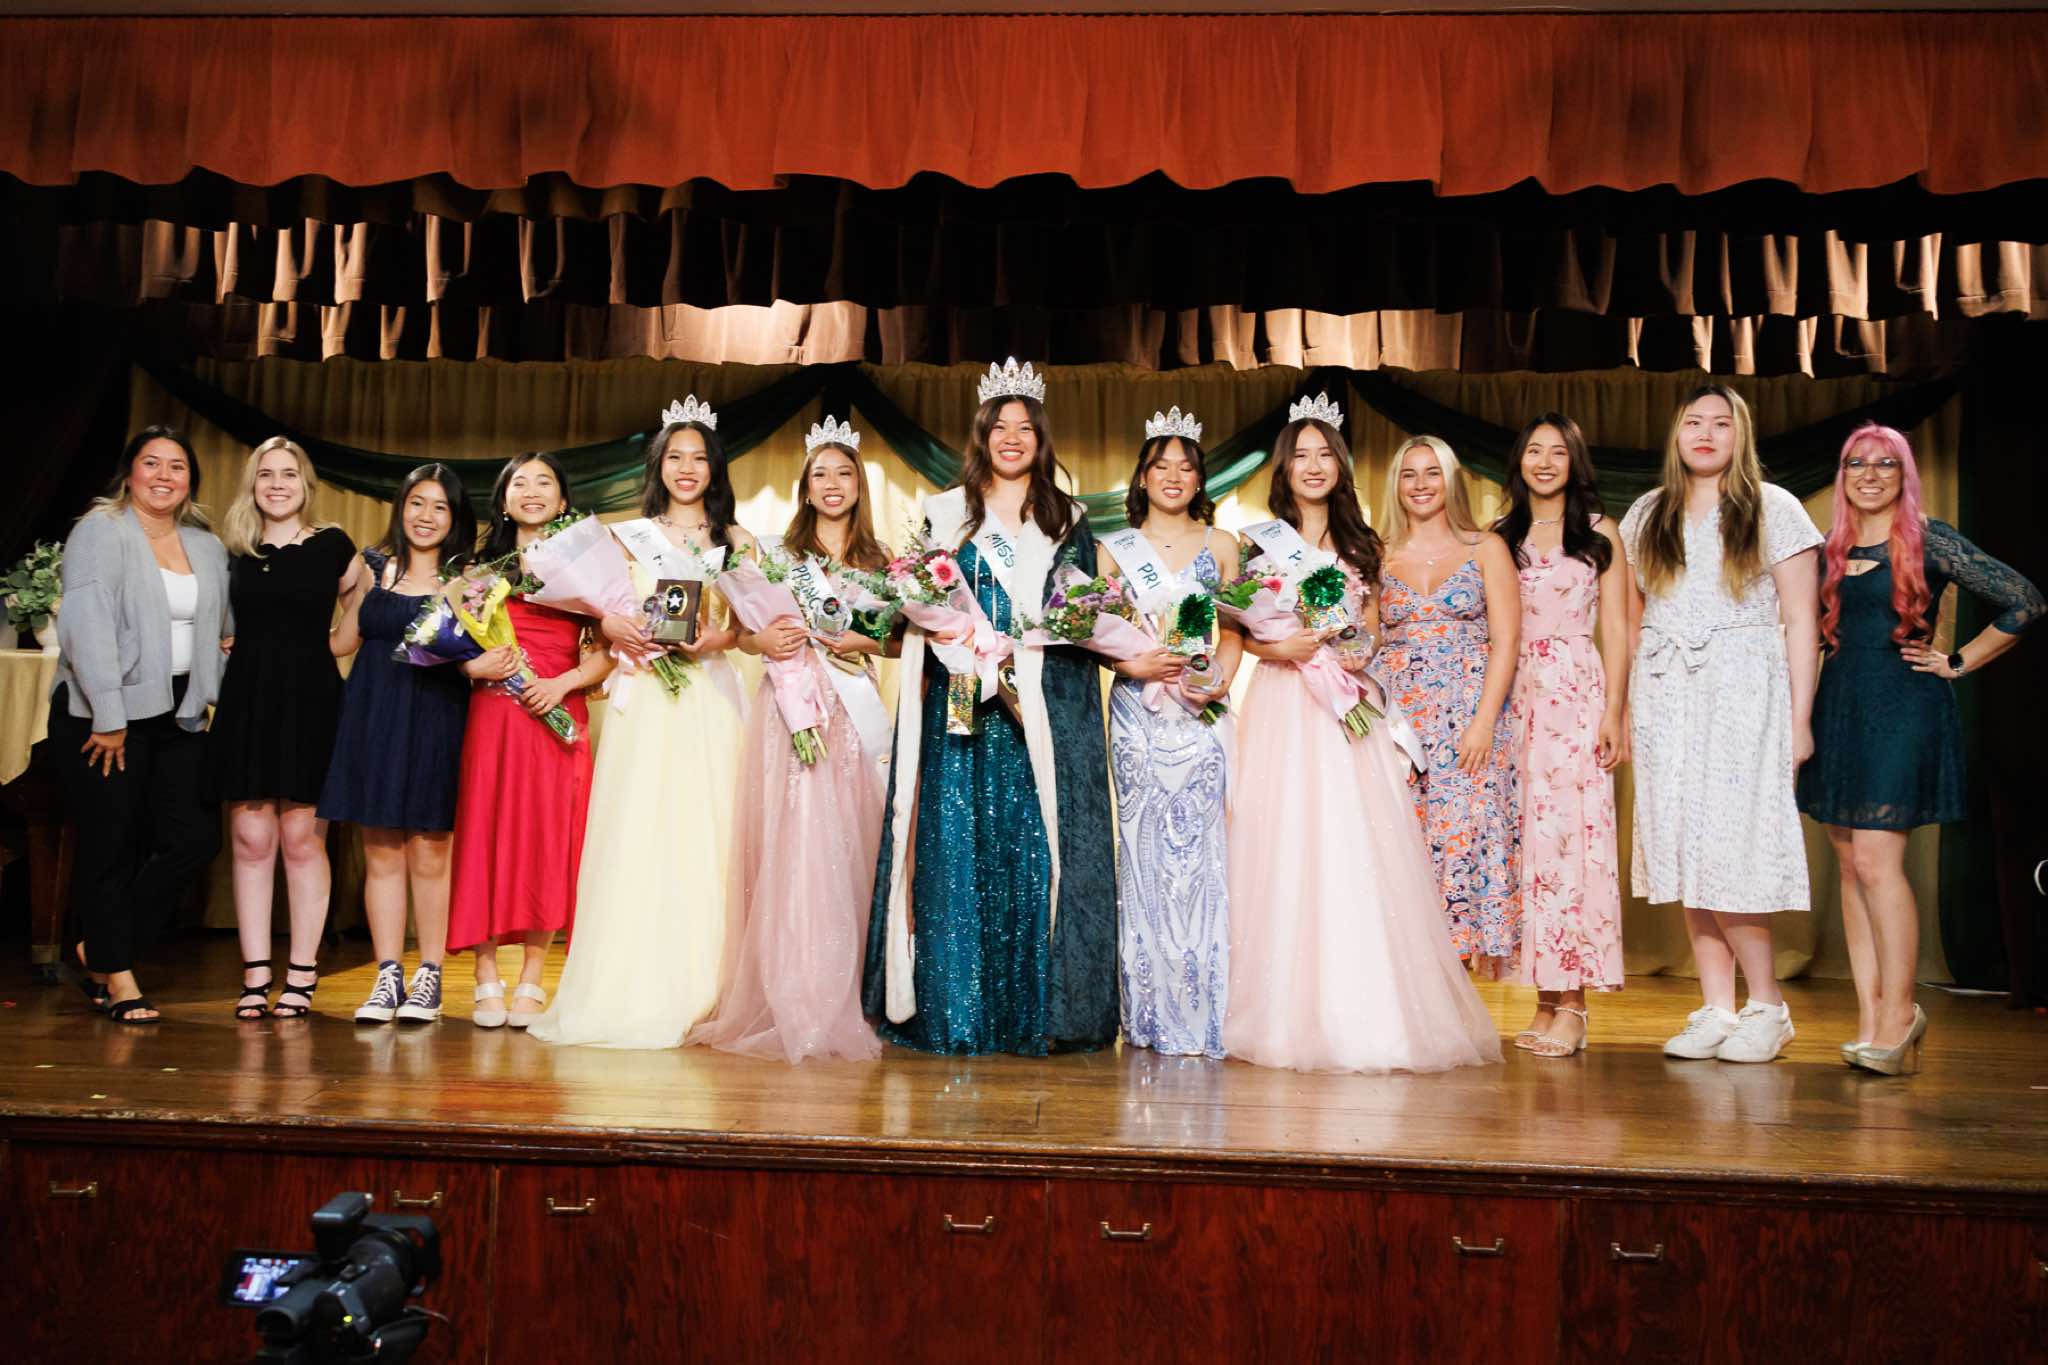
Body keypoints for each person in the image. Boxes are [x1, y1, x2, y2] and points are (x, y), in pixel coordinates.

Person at [1222, 395, 1501, 1074]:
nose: (1313, 466)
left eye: (1326, 454)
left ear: (1341, 467)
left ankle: (1365, 1011)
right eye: (1301, 456)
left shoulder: (1365, 543)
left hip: (1346, 702)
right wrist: (1278, 648)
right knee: (1282, 842)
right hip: (1284, 700)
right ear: (1284, 468)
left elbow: (1373, 626)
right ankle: (1281, 1012)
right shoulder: (1256, 542)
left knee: (1352, 844)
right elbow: (1237, 629)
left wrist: (1355, 646)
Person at [862, 358, 1118, 1056]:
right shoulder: (944, 513)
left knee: (1035, 850)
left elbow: (1080, 610)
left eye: (1025, 427)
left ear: (1041, 438)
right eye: (1000, 426)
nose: (1012, 438)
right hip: (961, 699)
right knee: (959, 845)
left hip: (1039, 702)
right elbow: (917, 601)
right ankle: (959, 1009)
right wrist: (961, 641)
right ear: (981, 435)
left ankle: (1039, 1013)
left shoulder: (1067, 518)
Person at [1797, 423, 2044, 1075]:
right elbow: (1805, 633)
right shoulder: (1827, 547)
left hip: (1904, 707)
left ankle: (1901, 1013)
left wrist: (1958, 661)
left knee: (1876, 860)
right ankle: (1870, 1017)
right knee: (1849, 865)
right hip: (1839, 707)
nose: (1869, 474)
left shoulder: (1929, 539)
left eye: (1885, 464)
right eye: (1856, 463)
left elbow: (2024, 601)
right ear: (1843, 475)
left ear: (1905, 475)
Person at [532, 398, 750, 1049]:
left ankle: (709, 986)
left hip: (707, 695)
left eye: (699, 458)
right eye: (675, 456)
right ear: (658, 465)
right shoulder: (625, 536)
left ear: (715, 468)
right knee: (639, 830)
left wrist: (714, 639)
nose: (687, 468)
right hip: (646, 697)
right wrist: (612, 622)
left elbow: (746, 628)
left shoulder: (737, 541)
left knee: (708, 832)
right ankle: (629, 985)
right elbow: (602, 615)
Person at [1621, 384, 1823, 1064]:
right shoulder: (1648, 512)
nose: (1705, 433)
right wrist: (1628, 707)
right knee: (1686, 848)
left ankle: (1768, 1005)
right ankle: (1717, 1006)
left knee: (1730, 850)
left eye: (1721, 423)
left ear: (1741, 435)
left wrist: (1799, 720)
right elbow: (1631, 619)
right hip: (1666, 691)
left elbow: (1802, 621)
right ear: (1676, 433)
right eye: (1693, 421)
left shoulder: (1775, 507)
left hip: (1741, 690)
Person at [690, 417, 895, 1062]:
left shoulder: (882, 560)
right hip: (791, 708)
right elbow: (744, 632)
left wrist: (865, 641)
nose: (832, 484)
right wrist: (764, 639)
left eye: (844, 473)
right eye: (820, 474)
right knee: (799, 839)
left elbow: (897, 640)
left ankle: (852, 989)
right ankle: (794, 987)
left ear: (859, 485)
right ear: (805, 488)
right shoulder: (775, 555)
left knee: (852, 843)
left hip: (853, 707)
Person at [48, 425, 230, 1024]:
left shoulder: (205, 545)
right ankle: (119, 978)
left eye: (177, 466)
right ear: (129, 473)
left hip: (179, 711)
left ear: (190, 481)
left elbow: (220, 626)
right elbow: (86, 625)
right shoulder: (100, 531)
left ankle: (99, 948)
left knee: (194, 839)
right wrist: (109, 715)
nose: (163, 475)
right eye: (151, 463)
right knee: (112, 843)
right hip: (104, 713)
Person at [447, 453, 611, 1027]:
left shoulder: (586, 568)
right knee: (485, 834)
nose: (533, 491)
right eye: (520, 482)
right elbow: (450, 647)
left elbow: (608, 652)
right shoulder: (476, 571)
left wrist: (562, 684)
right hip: (493, 715)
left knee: (548, 838)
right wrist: (472, 668)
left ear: (563, 501)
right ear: (504, 499)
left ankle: (534, 978)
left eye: (545, 482)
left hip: (557, 711)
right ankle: (485, 975)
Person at [1095, 408, 1240, 1058]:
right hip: (1138, 711)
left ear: (1200, 478)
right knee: (1143, 849)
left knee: (1204, 854)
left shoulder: (1224, 545)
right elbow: (1098, 634)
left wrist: (1219, 679)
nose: (1174, 476)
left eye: (1186, 466)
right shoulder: (1114, 548)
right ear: (1143, 476)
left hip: (1201, 708)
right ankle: (1148, 1014)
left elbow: (1235, 631)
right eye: (1162, 466)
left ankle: (1207, 1012)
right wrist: (1131, 664)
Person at [1493, 414, 1631, 1057]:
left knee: (1574, 842)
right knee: (1528, 845)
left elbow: (1620, 628)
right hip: (1514, 694)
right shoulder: (1500, 535)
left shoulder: (1601, 532)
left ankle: (1574, 1002)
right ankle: (1545, 998)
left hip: (1575, 693)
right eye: (1533, 451)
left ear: (1575, 461)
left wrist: (1615, 712)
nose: (1545, 462)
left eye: (1557, 452)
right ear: (1518, 461)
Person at [319, 463, 477, 1024]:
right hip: (372, 716)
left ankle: (430, 974)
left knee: (430, 852)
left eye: (439, 506)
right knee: (381, 851)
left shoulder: (467, 580)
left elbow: (477, 655)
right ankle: (387, 974)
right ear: (401, 508)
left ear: (454, 518)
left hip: (436, 718)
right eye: (416, 503)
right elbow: (342, 643)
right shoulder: (373, 569)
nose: (425, 516)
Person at [211, 437, 362, 1020]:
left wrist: (322, 647)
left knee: (303, 839)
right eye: (266, 474)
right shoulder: (233, 548)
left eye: (289, 474)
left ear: (306, 484)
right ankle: (254, 974)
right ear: (252, 484)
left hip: (311, 701)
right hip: (248, 699)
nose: (277, 484)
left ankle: (302, 972)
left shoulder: (333, 544)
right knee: (251, 839)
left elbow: (360, 611)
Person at [1375, 435, 1523, 977]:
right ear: (1396, 485)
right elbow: (1366, 640)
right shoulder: (1378, 554)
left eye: (1431, 472)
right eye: (1409, 474)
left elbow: (1507, 640)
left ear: (1450, 480)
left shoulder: (1485, 548)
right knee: (1406, 844)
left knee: (1462, 841)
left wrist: (1483, 724)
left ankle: (1457, 985)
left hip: (1467, 720)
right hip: (1400, 722)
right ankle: (1412, 987)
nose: (1420, 484)